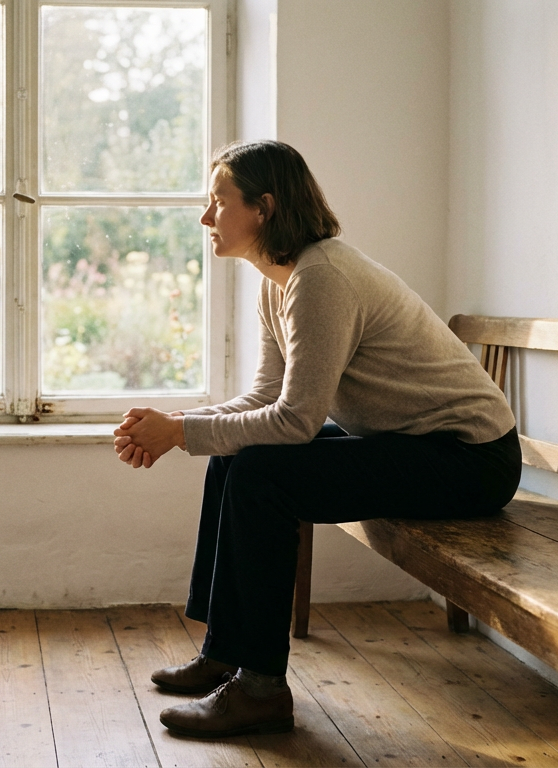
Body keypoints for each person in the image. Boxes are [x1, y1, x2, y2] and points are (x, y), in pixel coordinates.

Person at [112, 140, 521, 738]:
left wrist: (178, 432)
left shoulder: (321, 278)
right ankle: (226, 653)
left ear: (265, 208)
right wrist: (177, 425)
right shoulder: (277, 280)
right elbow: (265, 400)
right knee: (236, 460)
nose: (206, 219)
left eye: (218, 203)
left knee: (261, 473)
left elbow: (295, 423)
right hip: (414, 446)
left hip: (469, 459)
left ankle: (260, 692)